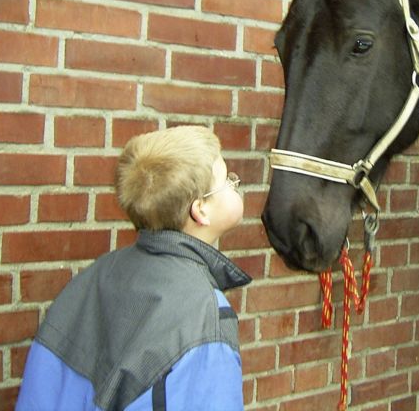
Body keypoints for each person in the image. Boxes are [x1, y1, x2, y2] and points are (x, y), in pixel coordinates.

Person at [16, 125, 252, 411]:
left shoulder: (96, 275)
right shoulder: (203, 314)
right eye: (226, 179)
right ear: (200, 208)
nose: (234, 183)